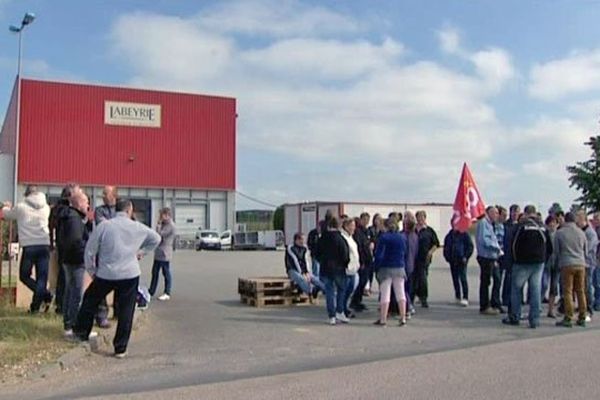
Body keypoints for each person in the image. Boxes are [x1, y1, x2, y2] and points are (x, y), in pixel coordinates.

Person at [74, 199, 161, 358]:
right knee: (126, 309)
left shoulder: (105, 226)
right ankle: (120, 347)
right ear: (129, 210)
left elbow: (90, 250)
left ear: (116, 210)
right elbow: (156, 238)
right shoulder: (137, 227)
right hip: (129, 273)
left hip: (106, 272)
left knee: (90, 300)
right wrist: (141, 252)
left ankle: (81, 332)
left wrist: (92, 270)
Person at [1, 186, 52, 313]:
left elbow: (7, 215)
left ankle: (43, 298)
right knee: (42, 278)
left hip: (29, 246)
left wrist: (6, 206)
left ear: (26, 195)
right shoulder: (46, 208)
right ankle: (39, 302)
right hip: (44, 244)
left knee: (24, 276)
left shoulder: (21, 207)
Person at [502, 205, 552, 329]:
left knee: (516, 290)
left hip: (521, 262)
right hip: (538, 263)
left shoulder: (521, 226)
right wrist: (543, 260)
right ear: (535, 213)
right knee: (535, 290)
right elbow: (550, 247)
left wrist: (512, 261)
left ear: (525, 213)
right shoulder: (543, 227)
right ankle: (534, 320)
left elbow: (512, 245)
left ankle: (515, 316)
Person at [59, 191, 92, 337]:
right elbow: (76, 242)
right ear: (78, 203)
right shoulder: (74, 219)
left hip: (68, 259)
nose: (88, 205)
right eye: (86, 202)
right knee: (76, 293)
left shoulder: (70, 217)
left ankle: (68, 323)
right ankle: (73, 325)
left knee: (70, 291)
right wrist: (87, 252)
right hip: (76, 260)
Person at [49, 183, 81, 315]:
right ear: (71, 195)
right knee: (66, 277)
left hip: (61, 245)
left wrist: (52, 243)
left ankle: (61, 305)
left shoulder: (57, 208)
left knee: (63, 276)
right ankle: (63, 305)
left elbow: (51, 225)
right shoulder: (68, 210)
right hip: (67, 246)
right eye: (78, 192)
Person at [555, 212, 588, 327]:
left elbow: (557, 251)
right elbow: (586, 250)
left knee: (568, 291)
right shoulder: (581, 233)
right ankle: (582, 316)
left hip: (567, 263)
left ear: (565, 220)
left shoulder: (560, 233)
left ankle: (568, 316)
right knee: (581, 290)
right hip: (581, 263)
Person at [373, 218, 408, 326]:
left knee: (385, 293)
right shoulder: (402, 237)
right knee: (400, 293)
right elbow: (405, 251)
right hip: (399, 267)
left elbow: (379, 255)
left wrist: (376, 267)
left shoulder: (384, 238)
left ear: (386, 226)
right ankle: (403, 317)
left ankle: (383, 319)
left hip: (386, 268)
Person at [316, 217, 350, 325]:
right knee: (341, 289)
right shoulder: (340, 238)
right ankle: (340, 311)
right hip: (339, 268)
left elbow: (316, 252)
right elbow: (345, 253)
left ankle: (332, 316)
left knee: (329, 292)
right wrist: (345, 264)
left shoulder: (322, 238)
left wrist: (321, 261)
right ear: (338, 226)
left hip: (325, 268)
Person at [94, 185, 119, 328]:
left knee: (121, 284)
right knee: (102, 285)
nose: (103, 196)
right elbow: (102, 227)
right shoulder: (99, 210)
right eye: (103, 193)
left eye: (105, 193)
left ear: (113, 195)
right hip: (103, 254)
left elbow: (130, 227)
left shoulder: (121, 209)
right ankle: (101, 315)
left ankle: (118, 311)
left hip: (120, 254)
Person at [476, 206, 503, 315]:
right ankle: (484, 306)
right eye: (495, 213)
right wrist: (497, 247)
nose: (497, 215)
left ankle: (495, 303)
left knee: (497, 279)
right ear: (489, 213)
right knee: (485, 281)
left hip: (493, 257)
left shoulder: (491, 224)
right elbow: (484, 240)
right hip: (486, 257)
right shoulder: (483, 223)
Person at [284, 233, 325, 300]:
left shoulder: (305, 249)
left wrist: (308, 272)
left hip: (304, 271)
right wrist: (302, 273)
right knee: (301, 278)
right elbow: (295, 261)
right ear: (296, 240)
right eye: (302, 239)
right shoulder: (290, 248)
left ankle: (327, 290)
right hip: (292, 270)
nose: (303, 241)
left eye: (304, 239)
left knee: (315, 279)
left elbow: (306, 261)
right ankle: (311, 291)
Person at [443, 220, 474, 307]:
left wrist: (466, 257)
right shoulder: (449, 235)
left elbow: (470, 246)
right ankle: (457, 296)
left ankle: (465, 297)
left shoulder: (464, 234)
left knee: (463, 279)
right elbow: (446, 247)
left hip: (462, 260)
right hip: (453, 261)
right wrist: (447, 257)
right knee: (455, 279)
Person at [412, 210, 439, 308]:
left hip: (424, 258)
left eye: (422, 217)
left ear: (425, 218)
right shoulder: (413, 229)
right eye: (418, 217)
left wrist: (430, 252)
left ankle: (423, 298)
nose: (420, 219)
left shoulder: (429, 230)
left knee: (423, 278)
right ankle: (412, 297)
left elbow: (436, 244)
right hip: (413, 258)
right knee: (413, 278)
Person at [149, 208, 177, 301]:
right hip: (158, 252)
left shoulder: (171, 226)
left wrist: (158, 225)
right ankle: (151, 291)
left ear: (167, 215)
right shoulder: (164, 224)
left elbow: (160, 234)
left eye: (162, 215)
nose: (160, 217)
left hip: (165, 252)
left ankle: (167, 292)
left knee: (166, 272)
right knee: (155, 272)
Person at [576, 210, 598, 321]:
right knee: (582, 287)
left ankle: (589, 308)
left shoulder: (590, 233)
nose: (577, 222)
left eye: (578, 219)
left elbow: (588, 248)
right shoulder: (580, 231)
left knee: (588, 286)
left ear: (583, 219)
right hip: (581, 262)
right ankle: (582, 306)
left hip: (589, 263)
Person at [350, 213, 373, 312]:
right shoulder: (358, 232)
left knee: (363, 282)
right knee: (361, 281)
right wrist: (361, 261)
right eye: (364, 219)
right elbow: (360, 248)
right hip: (362, 261)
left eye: (368, 219)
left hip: (368, 260)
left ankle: (358, 301)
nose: (366, 221)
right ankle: (355, 301)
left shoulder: (366, 231)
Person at [501, 204, 520, 313]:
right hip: (508, 256)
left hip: (517, 257)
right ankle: (505, 299)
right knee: (508, 279)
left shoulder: (520, 225)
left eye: (517, 212)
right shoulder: (506, 225)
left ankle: (516, 300)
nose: (515, 214)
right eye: (513, 212)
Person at [340, 218, 360, 318]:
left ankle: (344, 307)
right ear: (346, 226)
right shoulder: (343, 237)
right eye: (352, 226)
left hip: (353, 269)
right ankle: (341, 309)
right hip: (347, 269)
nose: (354, 228)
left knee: (350, 290)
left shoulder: (350, 237)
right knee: (344, 290)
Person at [402, 211, 419, 317]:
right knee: (408, 288)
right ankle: (409, 305)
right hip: (411, 265)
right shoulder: (415, 237)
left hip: (404, 265)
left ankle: (408, 307)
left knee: (404, 288)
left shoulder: (404, 237)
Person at [545, 216, 560, 318]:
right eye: (550, 223)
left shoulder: (559, 235)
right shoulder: (544, 234)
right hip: (546, 263)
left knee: (554, 287)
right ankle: (537, 308)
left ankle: (551, 309)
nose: (552, 225)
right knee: (543, 285)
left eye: (554, 222)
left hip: (557, 263)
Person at [492, 206, 507, 313]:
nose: (505, 217)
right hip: (496, 256)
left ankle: (495, 300)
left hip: (503, 256)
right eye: (503, 215)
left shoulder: (503, 226)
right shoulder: (493, 227)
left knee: (499, 280)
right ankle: (495, 302)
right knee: (496, 279)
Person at [365, 213, 384, 294]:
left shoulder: (383, 231)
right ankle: (368, 287)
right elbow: (368, 239)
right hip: (372, 253)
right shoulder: (370, 229)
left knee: (379, 273)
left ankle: (381, 288)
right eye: (376, 219)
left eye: (380, 219)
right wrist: (371, 242)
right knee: (370, 272)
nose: (378, 221)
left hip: (379, 253)